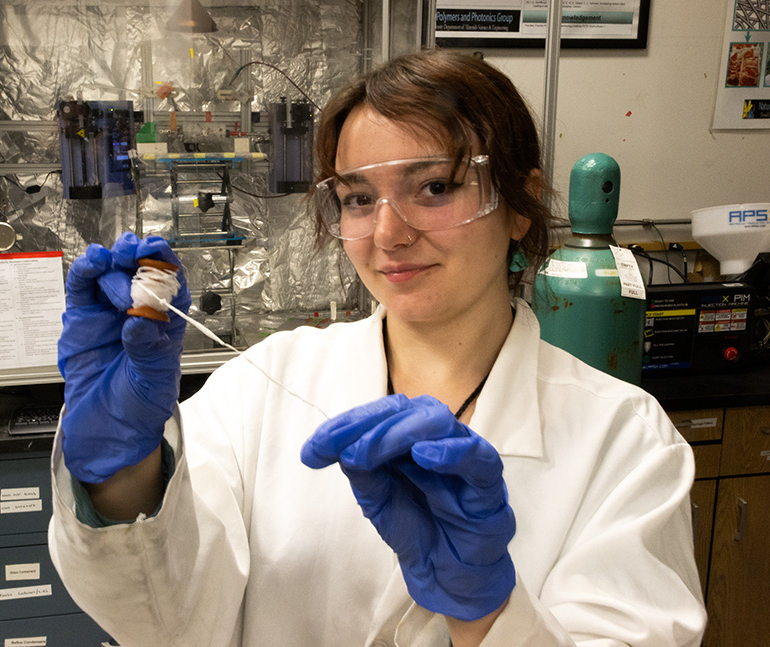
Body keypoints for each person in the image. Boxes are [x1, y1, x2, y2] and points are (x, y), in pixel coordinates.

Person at [49, 48, 707, 647]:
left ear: (521, 204)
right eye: (359, 197)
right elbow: (168, 621)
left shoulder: (625, 441)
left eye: (436, 187)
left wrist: (489, 617)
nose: (388, 233)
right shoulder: (261, 388)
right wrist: (123, 480)